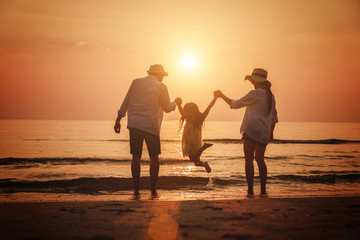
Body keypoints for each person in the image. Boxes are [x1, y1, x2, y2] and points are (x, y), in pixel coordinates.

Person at [114, 64, 181, 196]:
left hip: (135, 124)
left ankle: (136, 188)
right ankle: (153, 188)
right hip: (151, 125)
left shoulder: (136, 82)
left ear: (150, 72)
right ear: (160, 75)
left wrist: (118, 120)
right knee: (154, 157)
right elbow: (167, 108)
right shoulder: (161, 86)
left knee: (136, 157)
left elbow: (125, 102)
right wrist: (176, 103)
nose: (163, 78)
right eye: (162, 76)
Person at [214, 68, 278, 195]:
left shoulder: (255, 93)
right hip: (264, 131)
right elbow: (274, 118)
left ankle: (250, 190)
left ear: (257, 81)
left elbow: (236, 104)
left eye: (253, 81)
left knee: (249, 160)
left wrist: (221, 96)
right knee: (260, 160)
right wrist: (271, 133)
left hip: (251, 129)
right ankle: (263, 189)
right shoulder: (271, 95)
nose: (252, 83)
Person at [175, 95, 217, 173]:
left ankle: (204, 147)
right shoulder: (201, 117)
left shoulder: (188, 116)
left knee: (192, 159)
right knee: (196, 162)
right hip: (197, 141)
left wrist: (178, 104)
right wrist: (215, 98)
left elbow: (181, 111)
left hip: (190, 141)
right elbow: (209, 107)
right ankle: (204, 164)